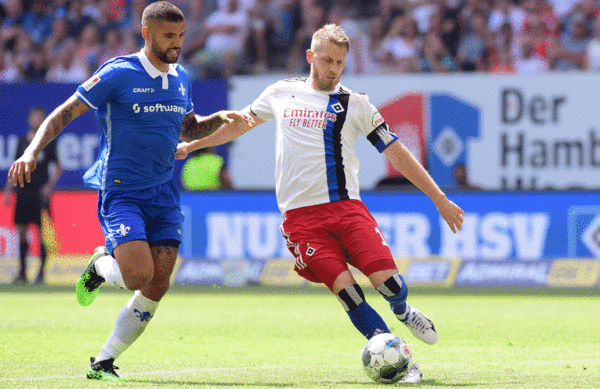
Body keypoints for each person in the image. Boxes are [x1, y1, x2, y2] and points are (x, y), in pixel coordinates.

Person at [176, 23, 465, 384]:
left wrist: (439, 198)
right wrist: (193, 146)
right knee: (347, 292)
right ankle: (400, 361)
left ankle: (403, 309)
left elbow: (398, 152)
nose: (332, 68)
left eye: (339, 62)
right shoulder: (281, 92)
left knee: (388, 284)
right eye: (326, 59)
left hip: (347, 209)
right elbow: (239, 124)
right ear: (311, 56)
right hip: (301, 220)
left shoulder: (355, 104)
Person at [7, 1, 252, 382]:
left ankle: (103, 361)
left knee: (159, 282)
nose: (177, 44)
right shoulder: (118, 74)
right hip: (121, 191)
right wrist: (31, 149)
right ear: (146, 33)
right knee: (137, 275)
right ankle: (100, 265)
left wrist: (218, 120)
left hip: (163, 193)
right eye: (169, 36)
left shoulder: (182, 77)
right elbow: (64, 113)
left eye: (181, 36)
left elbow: (188, 129)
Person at [3, 107, 62, 285]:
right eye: (33, 117)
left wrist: (48, 187)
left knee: (42, 233)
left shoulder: (49, 142)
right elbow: (15, 166)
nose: (36, 120)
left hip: (39, 194)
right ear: (29, 119)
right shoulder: (22, 141)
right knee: (21, 231)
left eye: (40, 118)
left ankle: (41, 274)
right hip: (22, 192)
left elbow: (58, 167)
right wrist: (8, 191)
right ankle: (22, 273)